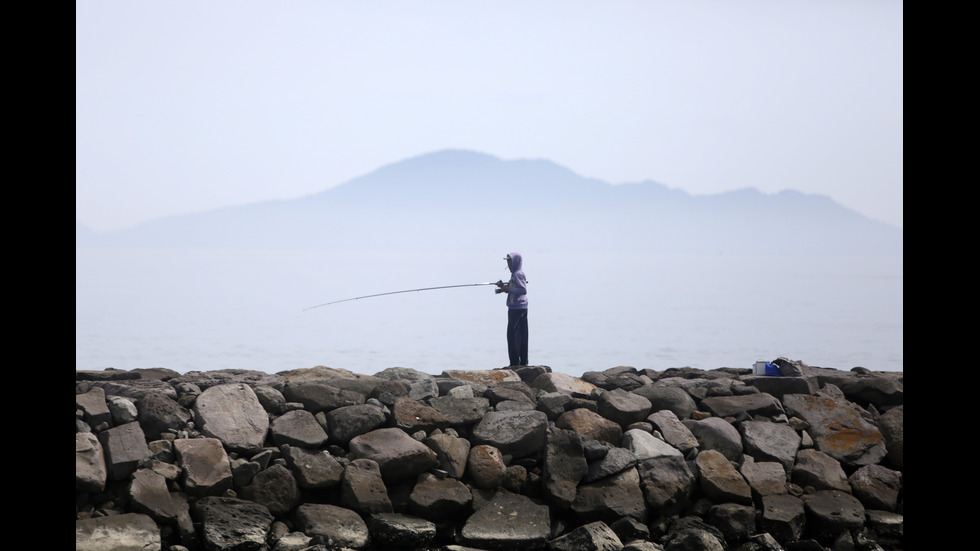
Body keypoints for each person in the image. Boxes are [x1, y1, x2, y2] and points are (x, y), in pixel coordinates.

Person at [495, 252, 528, 366]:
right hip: (515, 308)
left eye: (510, 261)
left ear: (516, 262)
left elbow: (523, 290)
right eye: (507, 261)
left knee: (514, 336)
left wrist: (508, 289)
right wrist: (502, 287)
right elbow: (513, 287)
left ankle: (516, 363)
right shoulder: (515, 275)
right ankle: (520, 362)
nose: (508, 264)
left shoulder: (518, 274)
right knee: (517, 335)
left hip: (518, 310)